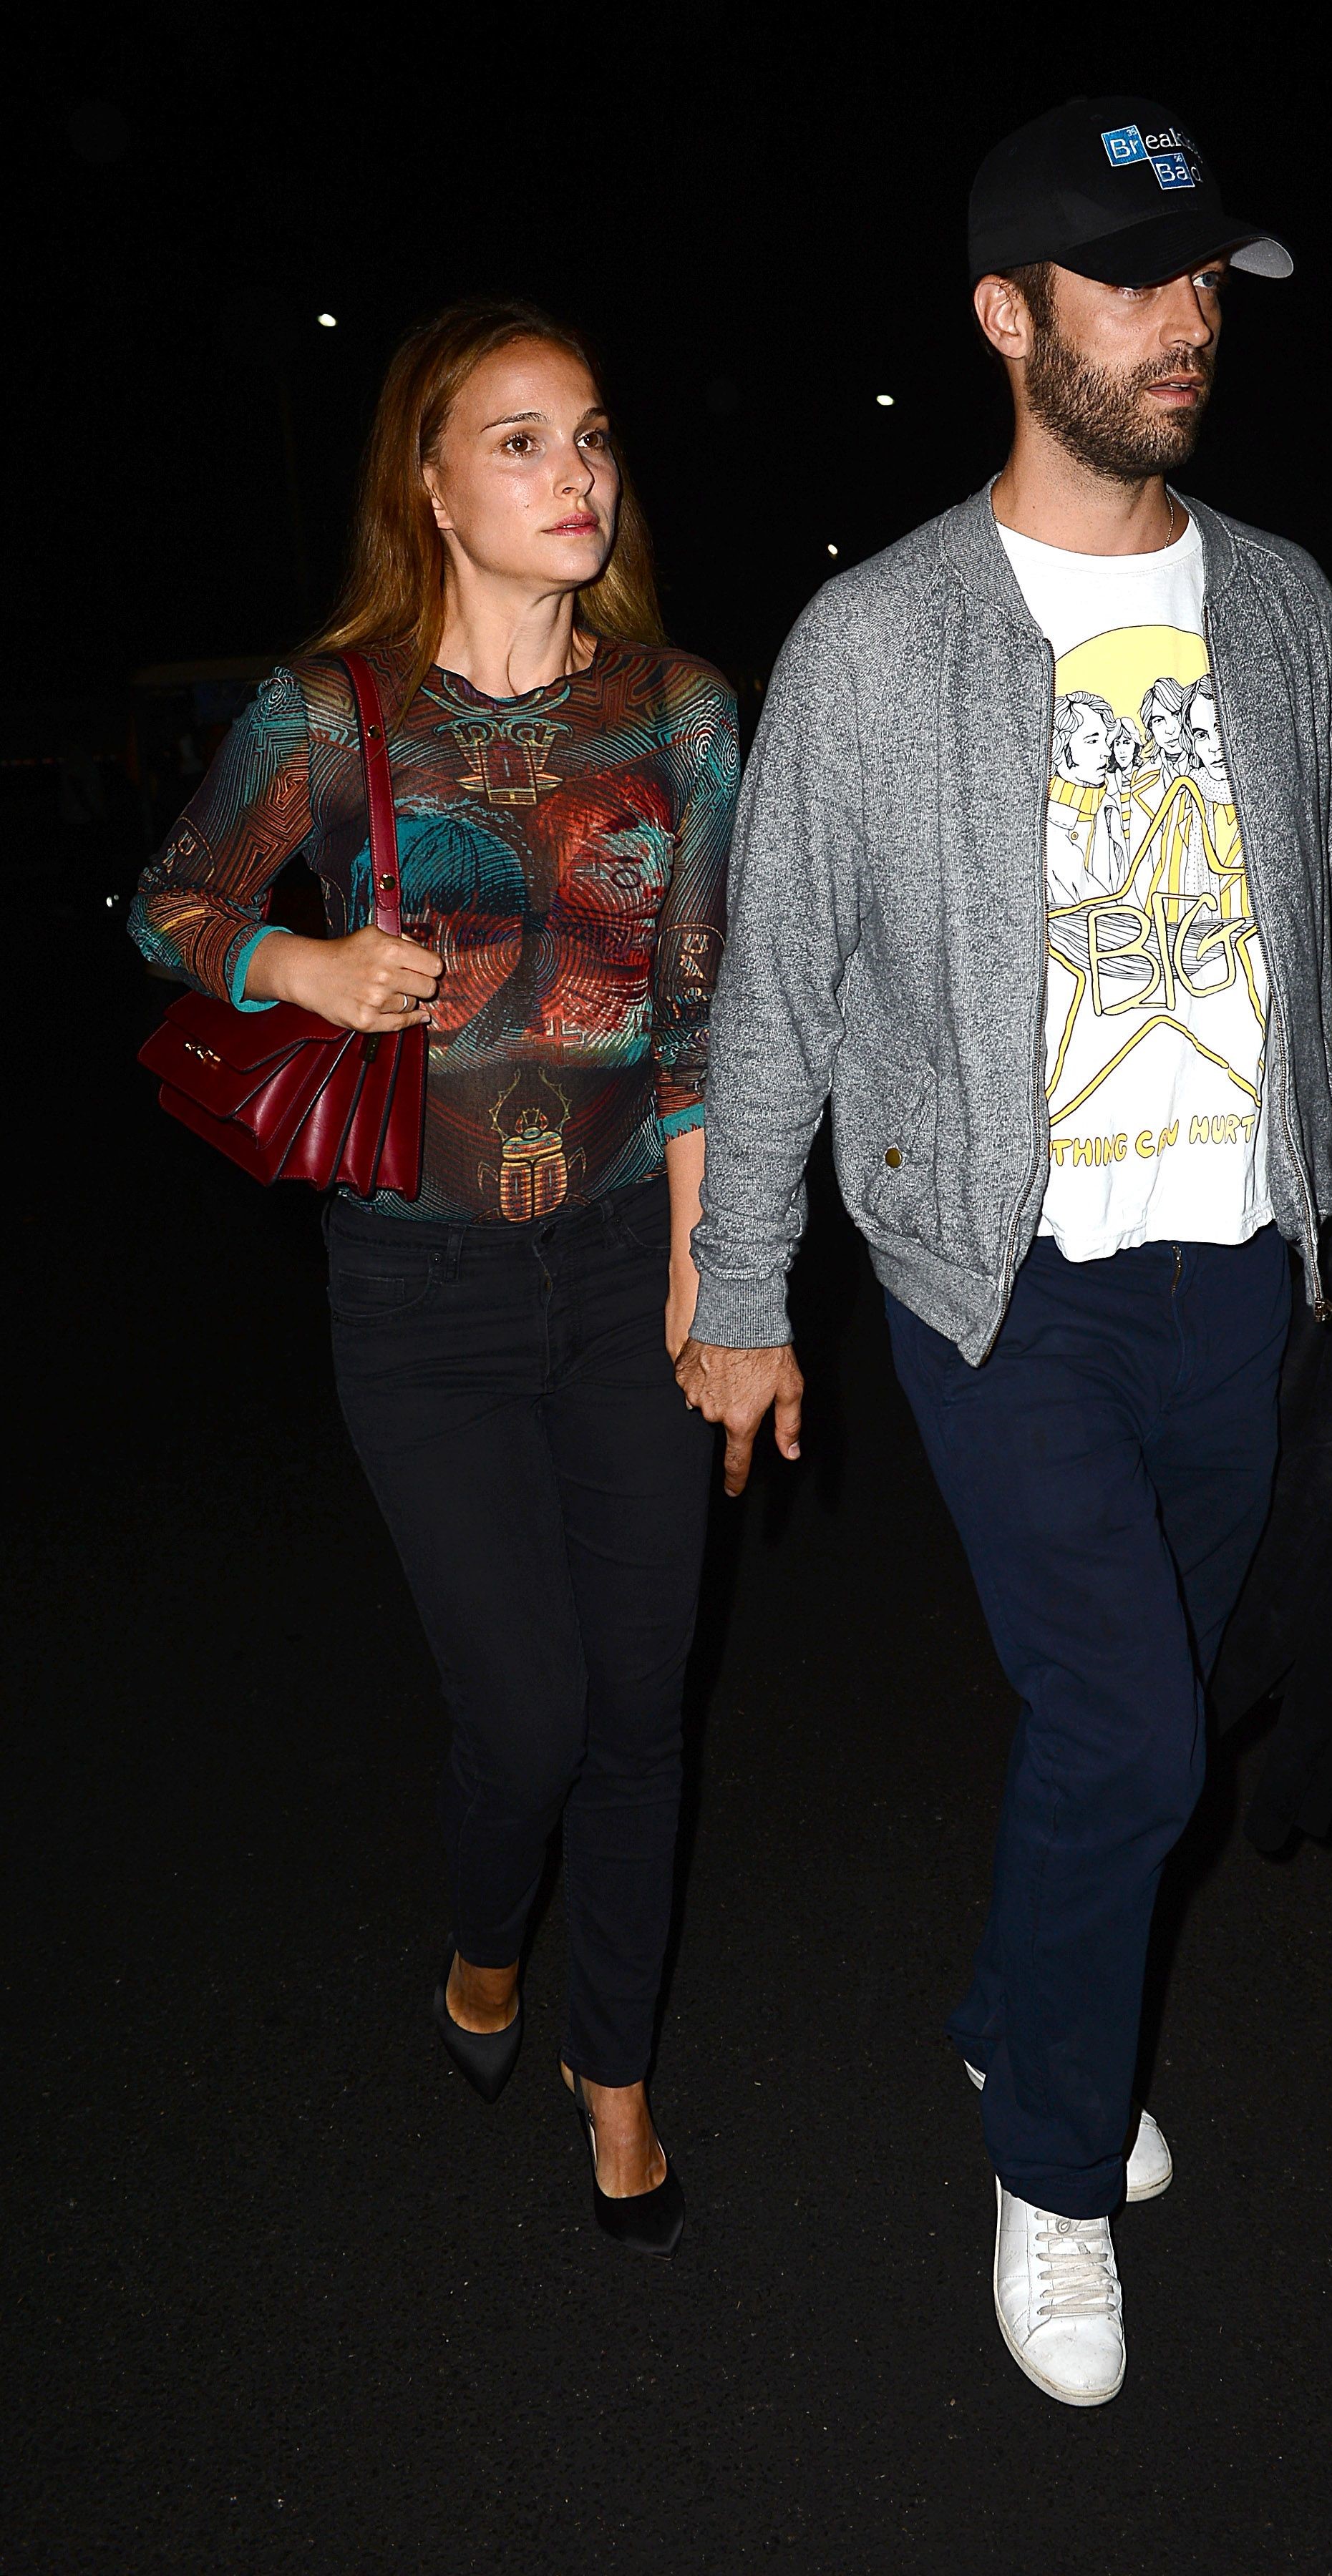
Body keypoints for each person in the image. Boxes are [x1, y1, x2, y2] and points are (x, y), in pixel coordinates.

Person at [676, 95, 1332, 2396]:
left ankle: (1021, 2013)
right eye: (1134, 275)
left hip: (1250, 1263)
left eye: (1208, 273)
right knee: (1124, 1727)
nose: (1190, 318)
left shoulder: (1286, 604)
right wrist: (736, 1313)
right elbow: (779, 995)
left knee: (1168, 1712)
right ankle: (1051, 2166)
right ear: (1009, 317)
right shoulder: (879, 640)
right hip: (999, 1281)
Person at [131, 299, 735, 2260]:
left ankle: (616, 2067)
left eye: (594, 436)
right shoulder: (337, 710)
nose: (578, 475)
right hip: (421, 1297)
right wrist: (299, 968)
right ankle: (488, 1942)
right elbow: (169, 900)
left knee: (646, 1705)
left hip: (633, 1256)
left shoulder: (680, 707)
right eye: (522, 441)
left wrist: (720, 1275)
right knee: (535, 1719)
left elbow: (712, 1006)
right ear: (433, 485)